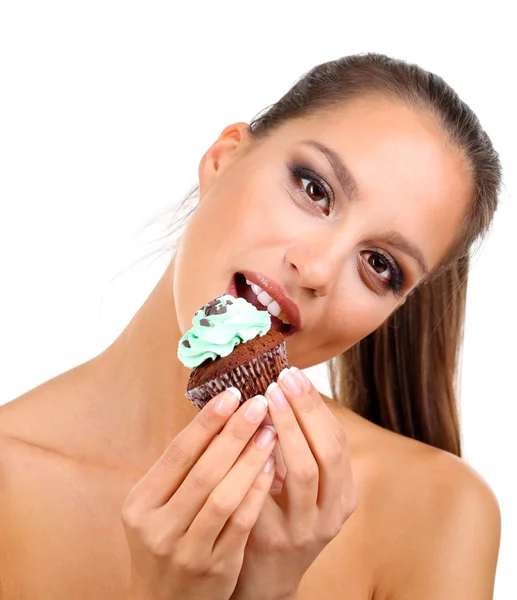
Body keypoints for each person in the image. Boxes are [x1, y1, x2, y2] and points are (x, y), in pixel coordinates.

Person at [0, 52, 502, 600]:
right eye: (314, 189)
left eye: (379, 265)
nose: (315, 270)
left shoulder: (438, 512)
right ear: (223, 159)